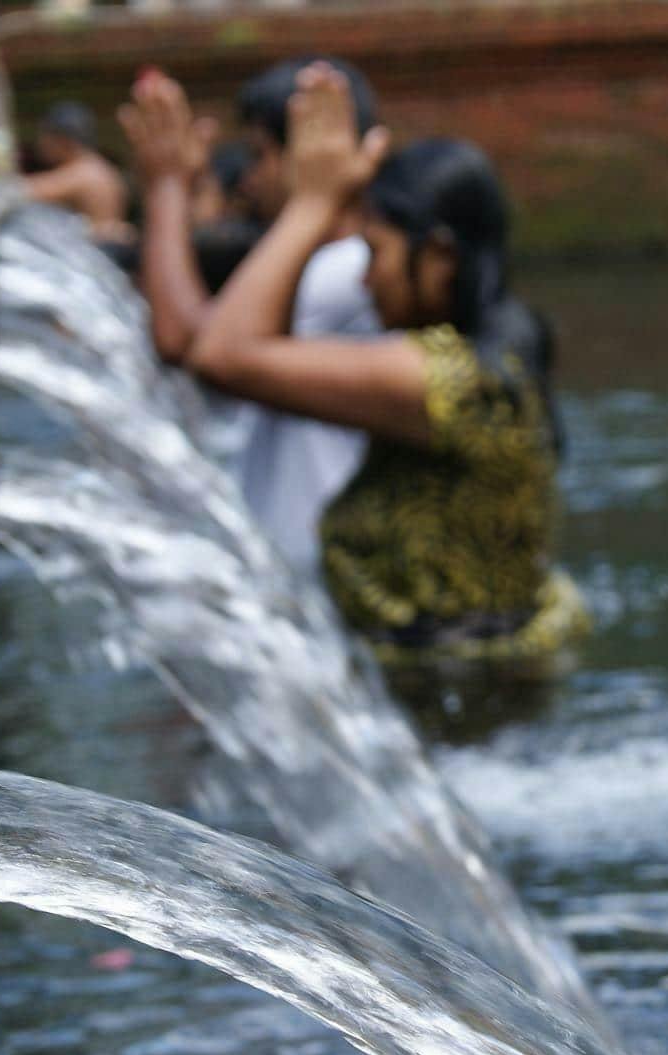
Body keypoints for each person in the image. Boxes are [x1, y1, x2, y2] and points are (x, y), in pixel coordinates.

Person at [186, 65, 586, 663]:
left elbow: (221, 355)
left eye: (376, 254)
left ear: (441, 256)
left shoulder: (441, 380)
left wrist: (314, 203)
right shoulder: (489, 352)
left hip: (453, 705)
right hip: (459, 692)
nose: (365, 278)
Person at [120, 59, 380, 573]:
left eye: (261, 156)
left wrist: (167, 186)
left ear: (308, 156)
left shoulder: (349, 272)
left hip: (325, 580)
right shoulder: (315, 266)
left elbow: (188, 340)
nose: (249, 180)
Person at [23, 100, 131, 240]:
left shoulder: (85, 172)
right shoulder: (98, 166)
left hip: (96, 252)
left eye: (45, 138)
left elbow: (22, 192)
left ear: (63, 140)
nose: (40, 144)